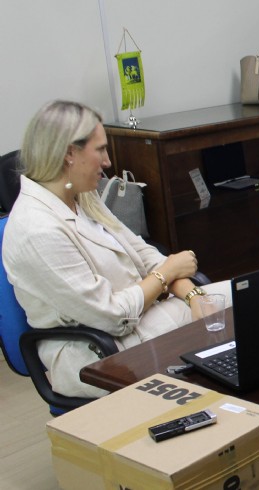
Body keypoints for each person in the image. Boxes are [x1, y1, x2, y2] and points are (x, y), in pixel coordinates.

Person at [2, 101, 206, 398]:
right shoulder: (36, 229)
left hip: (140, 319)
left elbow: (142, 250)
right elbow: (112, 317)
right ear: (69, 153)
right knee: (238, 318)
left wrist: (194, 295)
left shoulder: (80, 195)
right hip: (99, 349)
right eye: (100, 150)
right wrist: (168, 273)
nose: (108, 162)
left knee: (241, 303)